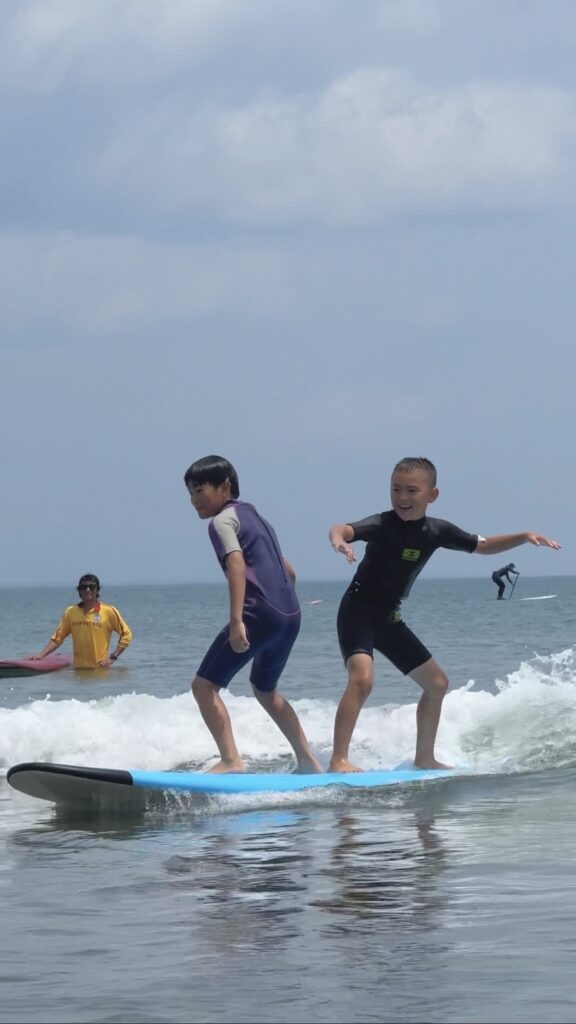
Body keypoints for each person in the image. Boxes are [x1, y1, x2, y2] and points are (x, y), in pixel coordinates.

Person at [328, 456, 561, 773]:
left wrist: (523, 536)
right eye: (396, 489)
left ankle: (424, 758)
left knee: (437, 684)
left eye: (412, 490)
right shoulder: (381, 525)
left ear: (432, 495)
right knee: (362, 680)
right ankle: (338, 759)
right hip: (357, 611)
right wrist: (339, 541)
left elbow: (483, 545)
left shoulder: (437, 531)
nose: (402, 497)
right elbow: (342, 529)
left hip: (388, 618)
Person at [184, 454, 321, 774]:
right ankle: (308, 761)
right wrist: (281, 609)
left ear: (225, 486)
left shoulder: (221, 522)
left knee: (203, 686)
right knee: (265, 690)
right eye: (190, 493)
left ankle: (231, 760)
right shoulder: (256, 517)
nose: (193, 500)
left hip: (258, 614)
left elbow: (237, 565)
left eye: (200, 490)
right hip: (290, 614)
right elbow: (289, 571)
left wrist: (237, 621)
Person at [31, 574, 132, 669]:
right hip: (78, 672)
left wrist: (113, 657)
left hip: (100, 671)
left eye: (91, 587)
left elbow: (126, 634)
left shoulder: (108, 611)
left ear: (97, 590)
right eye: (84, 587)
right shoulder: (70, 612)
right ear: (79, 590)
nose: (87, 590)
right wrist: (41, 655)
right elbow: (58, 637)